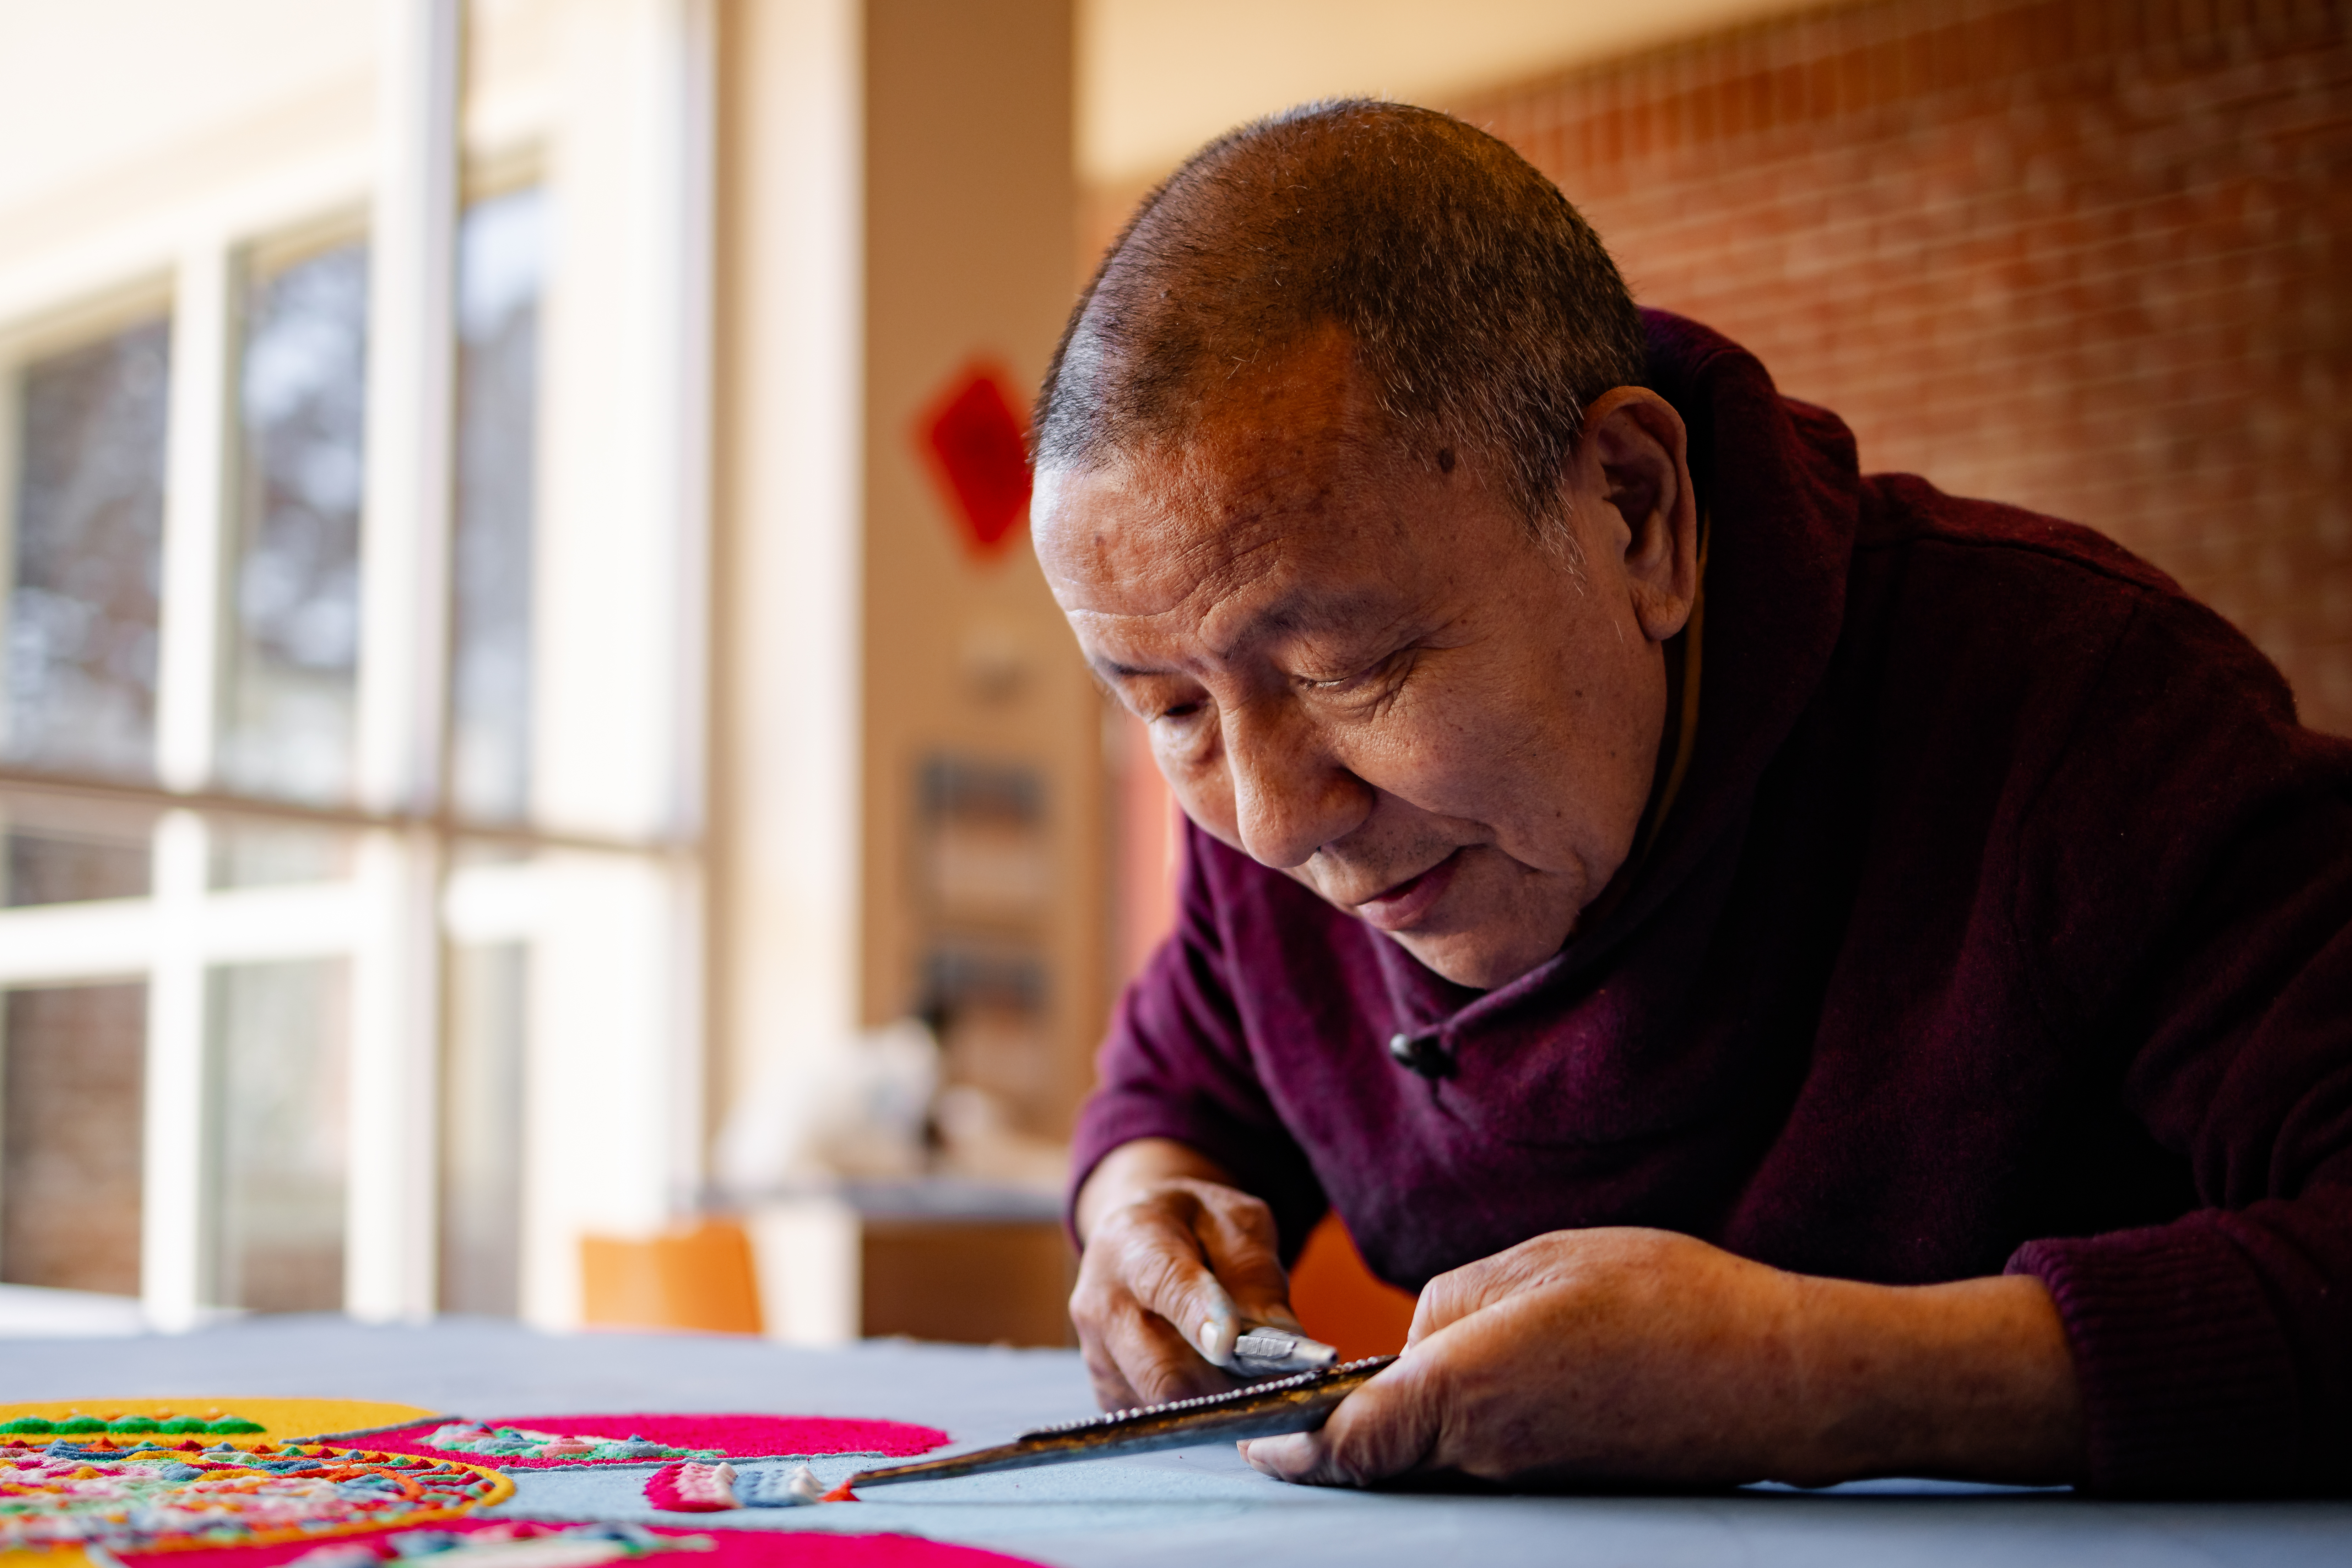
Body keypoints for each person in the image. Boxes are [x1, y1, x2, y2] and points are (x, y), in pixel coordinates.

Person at [1026, 99, 2352, 1497]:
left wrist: (1822, 1380)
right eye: (1169, 708)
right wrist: (1141, 1219)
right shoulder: (1277, 775)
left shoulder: (2079, 707)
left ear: (1633, 509)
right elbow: (1190, 1081)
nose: (1282, 821)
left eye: (1354, 669)